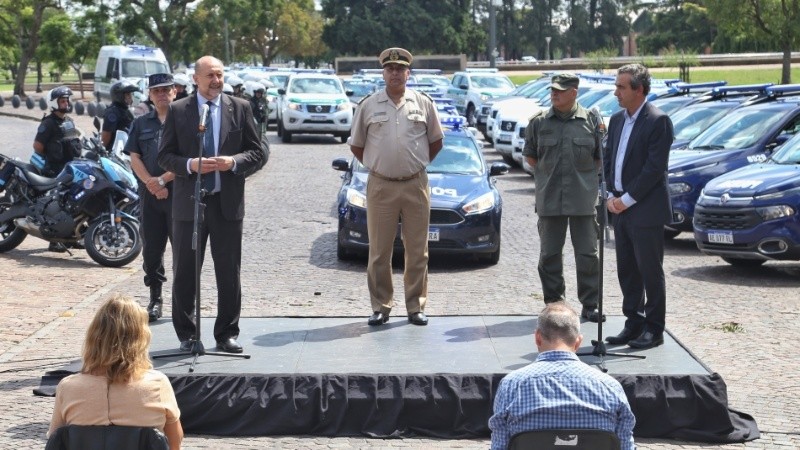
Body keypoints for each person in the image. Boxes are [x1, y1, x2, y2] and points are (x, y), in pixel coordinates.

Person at [158, 55, 263, 354]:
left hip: (227, 204)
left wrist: (233, 162)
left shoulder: (240, 107)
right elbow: (164, 156)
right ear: (196, 79)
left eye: (220, 75)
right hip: (189, 205)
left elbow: (258, 151)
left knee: (229, 272)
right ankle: (188, 335)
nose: (216, 81)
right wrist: (190, 165)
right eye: (210, 76)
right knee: (186, 272)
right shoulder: (179, 110)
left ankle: (226, 333)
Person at [349, 47, 444, 327]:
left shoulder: (423, 103)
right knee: (379, 251)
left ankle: (415, 306)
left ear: (408, 73)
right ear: (383, 73)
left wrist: (416, 163)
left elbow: (436, 141)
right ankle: (381, 306)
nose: (395, 74)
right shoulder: (368, 105)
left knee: (418, 249)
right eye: (390, 69)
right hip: (381, 186)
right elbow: (357, 145)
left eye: (400, 69)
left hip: (415, 184)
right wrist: (380, 165)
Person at [488, 302, 635, 450]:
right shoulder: (610, 387)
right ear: (578, 341)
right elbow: (625, 446)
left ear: (538, 338)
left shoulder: (511, 385)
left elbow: (499, 446)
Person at [47, 294, 183, 450]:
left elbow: (56, 441)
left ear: (94, 337)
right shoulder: (158, 384)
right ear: (140, 338)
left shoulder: (68, 387)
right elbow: (175, 443)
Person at [522, 73, 605, 323]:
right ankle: (554, 304)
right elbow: (532, 157)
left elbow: (600, 158)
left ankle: (590, 305)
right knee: (549, 255)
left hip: (582, 199)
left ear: (574, 93)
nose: (554, 93)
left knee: (588, 254)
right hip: (549, 198)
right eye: (553, 90)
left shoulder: (591, 121)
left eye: (560, 90)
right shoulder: (538, 122)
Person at [603, 64, 674, 349]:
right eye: (617, 85)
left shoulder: (658, 121)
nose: (616, 92)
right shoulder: (617, 120)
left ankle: (654, 329)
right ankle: (633, 323)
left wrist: (626, 199)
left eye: (621, 87)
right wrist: (610, 194)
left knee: (649, 271)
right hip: (619, 206)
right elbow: (608, 160)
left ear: (639, 89)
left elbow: (654, 169)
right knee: (627, 270)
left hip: (644, 209)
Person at [124, 73, 177, 323]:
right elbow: (134, 157)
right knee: (152, 251)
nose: (162, 94)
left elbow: (190, 158)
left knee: (184, 251)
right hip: (150, 196)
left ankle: (183, 300)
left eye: (166, 89)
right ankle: (155, 299)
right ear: (150, 95)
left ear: (175, 92)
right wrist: (151, 183)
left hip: (179, 194)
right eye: (157, 91)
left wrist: (164, 180)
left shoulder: (185, 122)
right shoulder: (141, 123)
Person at [32, 86, 82, 253]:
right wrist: (51, 155)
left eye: (67, 100)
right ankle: (54, 241)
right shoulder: (48, 123)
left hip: (70, 169)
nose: (66, 103)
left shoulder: (69, 121)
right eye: (62, 100)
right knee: (57, 205)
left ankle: (72, 238)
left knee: (74, 204)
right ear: (53, 103)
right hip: (54, 170)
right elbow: (38, 146)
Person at [102, 79, 139, 151]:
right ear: (119, 95)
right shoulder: (112, 112)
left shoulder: (126, 110)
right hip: (115, 152)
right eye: (128, 94)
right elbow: (106, 135)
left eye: (130, 94)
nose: (130, 97)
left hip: (127, 148)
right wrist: (102, 150)